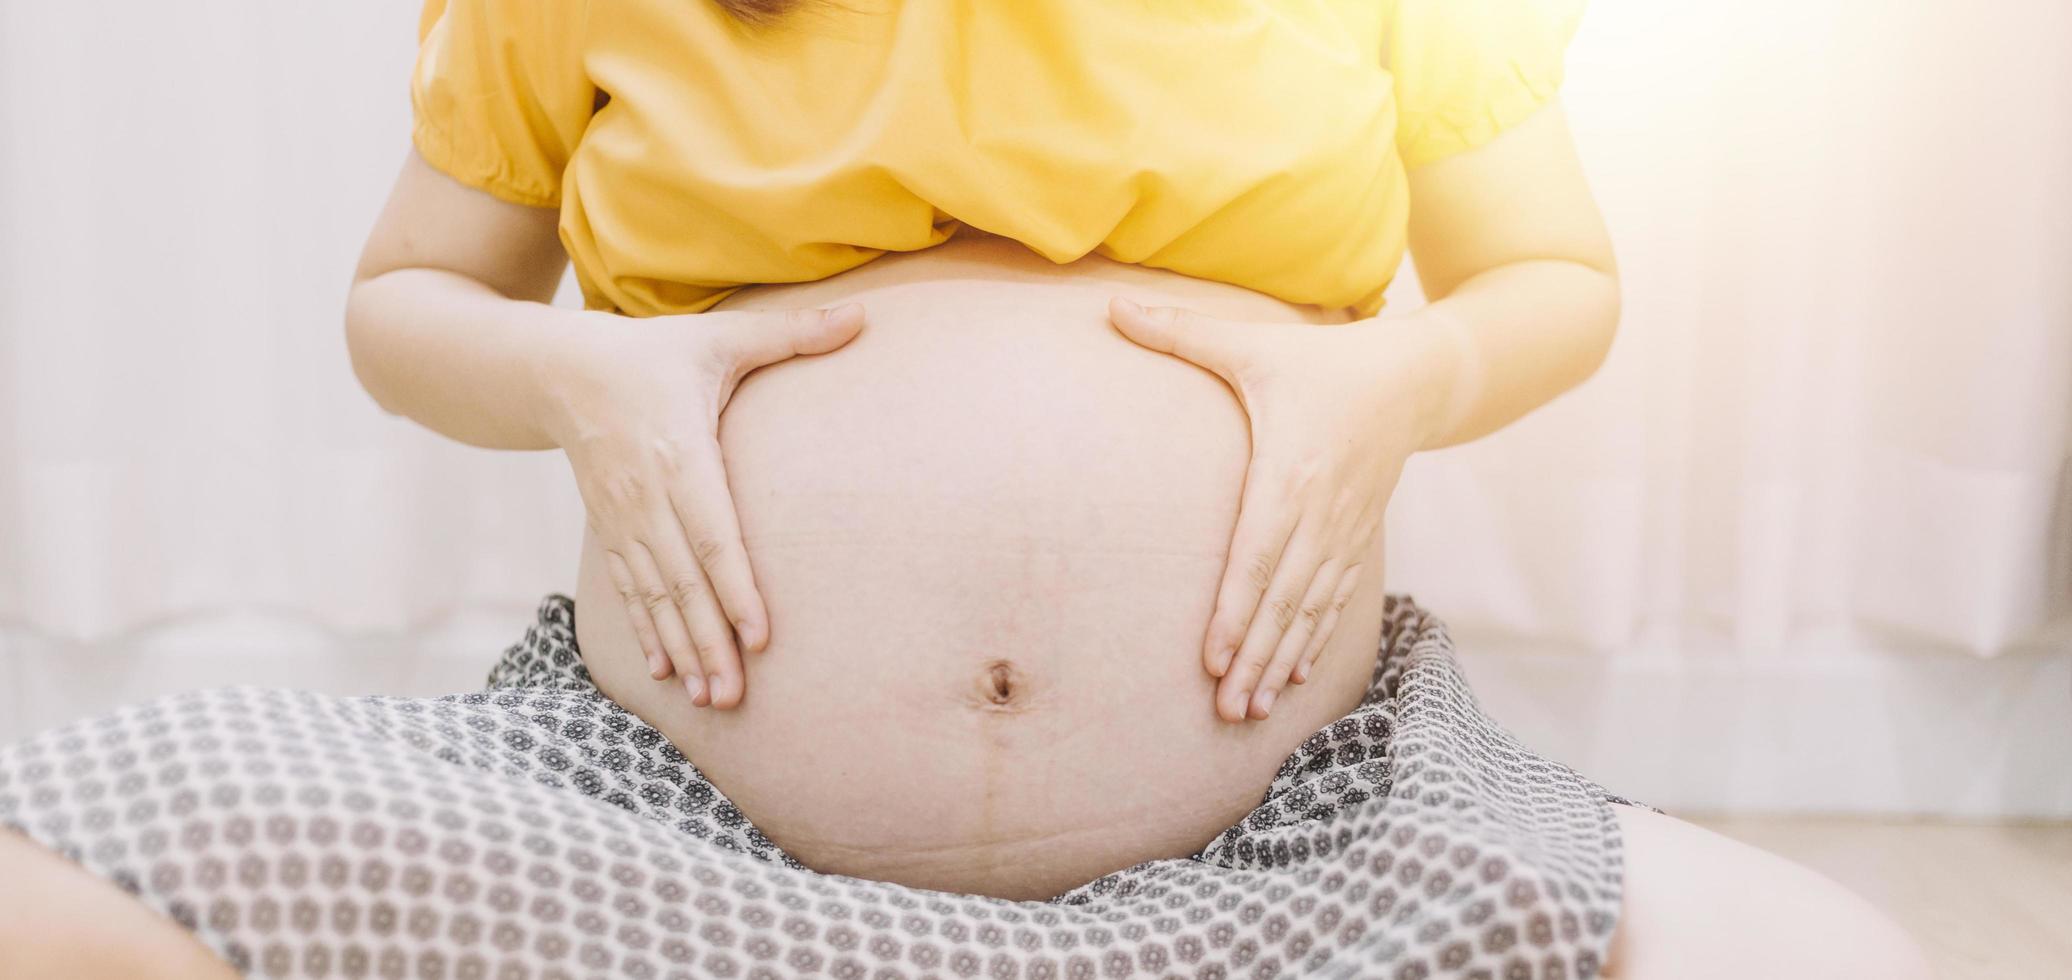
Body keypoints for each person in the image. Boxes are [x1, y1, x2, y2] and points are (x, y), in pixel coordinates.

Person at [0, 0, 1932, 977]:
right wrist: (572, 368)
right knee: (39, 883)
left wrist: (1405, 373)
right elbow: (403, 305)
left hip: (1303, 839)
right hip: (654, 827)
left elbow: (1555, 282)